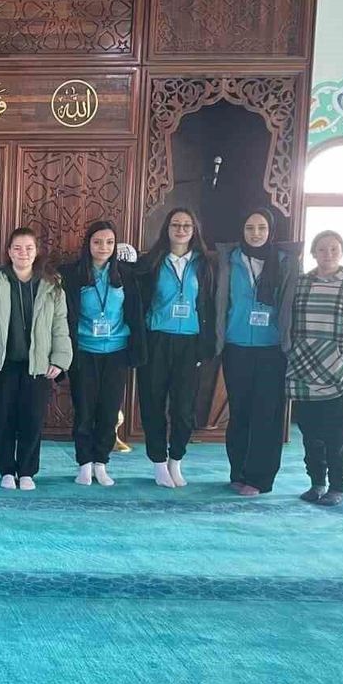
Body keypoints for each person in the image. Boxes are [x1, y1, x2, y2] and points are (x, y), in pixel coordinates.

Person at [285, 230, 343, 506]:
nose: (327, 254)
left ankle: (338, 486)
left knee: (337, 436)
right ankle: (316, 483)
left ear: (342, 252)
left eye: (333, 249)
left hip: (342, 373)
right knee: (310, 434)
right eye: (322, 249)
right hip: (304, 372)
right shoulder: (301, 284)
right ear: (313, 253)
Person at [0, 227, 72, 491]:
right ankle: (6, 470)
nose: (23, 253)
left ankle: (27, 471)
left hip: (38, 365)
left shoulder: (52, 285)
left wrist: (59, 359)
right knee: (3, 419)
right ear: (9, 252)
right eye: (17, 248)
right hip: (5, 364)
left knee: (32, 419)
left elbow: (60, 326)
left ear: (36, 251)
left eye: (29, 248)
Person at [215, 208, 299, 496]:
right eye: (250, 227)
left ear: (270, 230)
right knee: (239, 413)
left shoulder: (285, 261)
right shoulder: (230, 259)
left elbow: (290, 304)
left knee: (267, 415)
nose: (256, 233)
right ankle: (238, 472)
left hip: (271, 349)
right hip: (236, 346)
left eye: (261, 227)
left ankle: (260, 478)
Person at [59, 221, 146, 487]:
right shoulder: (72, 274)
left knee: (109, 411)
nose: (103, 247)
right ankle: (84, 464)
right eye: (97, 242)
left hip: (116, 352)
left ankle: (101, 463)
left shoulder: (127, 275)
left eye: (109, 242)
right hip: (84, 351)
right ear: (88, 244)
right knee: (84, 411)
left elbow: (135, 313)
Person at [136, 208, 215, 489]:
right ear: (166, 229)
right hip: (157, 339)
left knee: (183, 408)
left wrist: (206, 346)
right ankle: (158, 462)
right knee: (153, 404)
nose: (181, 230)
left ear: (194, 230)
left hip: (189, 342)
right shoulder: (152, 262)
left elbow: (209, 305)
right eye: (175, 225)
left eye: (186, 225)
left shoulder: (205, 264)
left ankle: (176, 460)